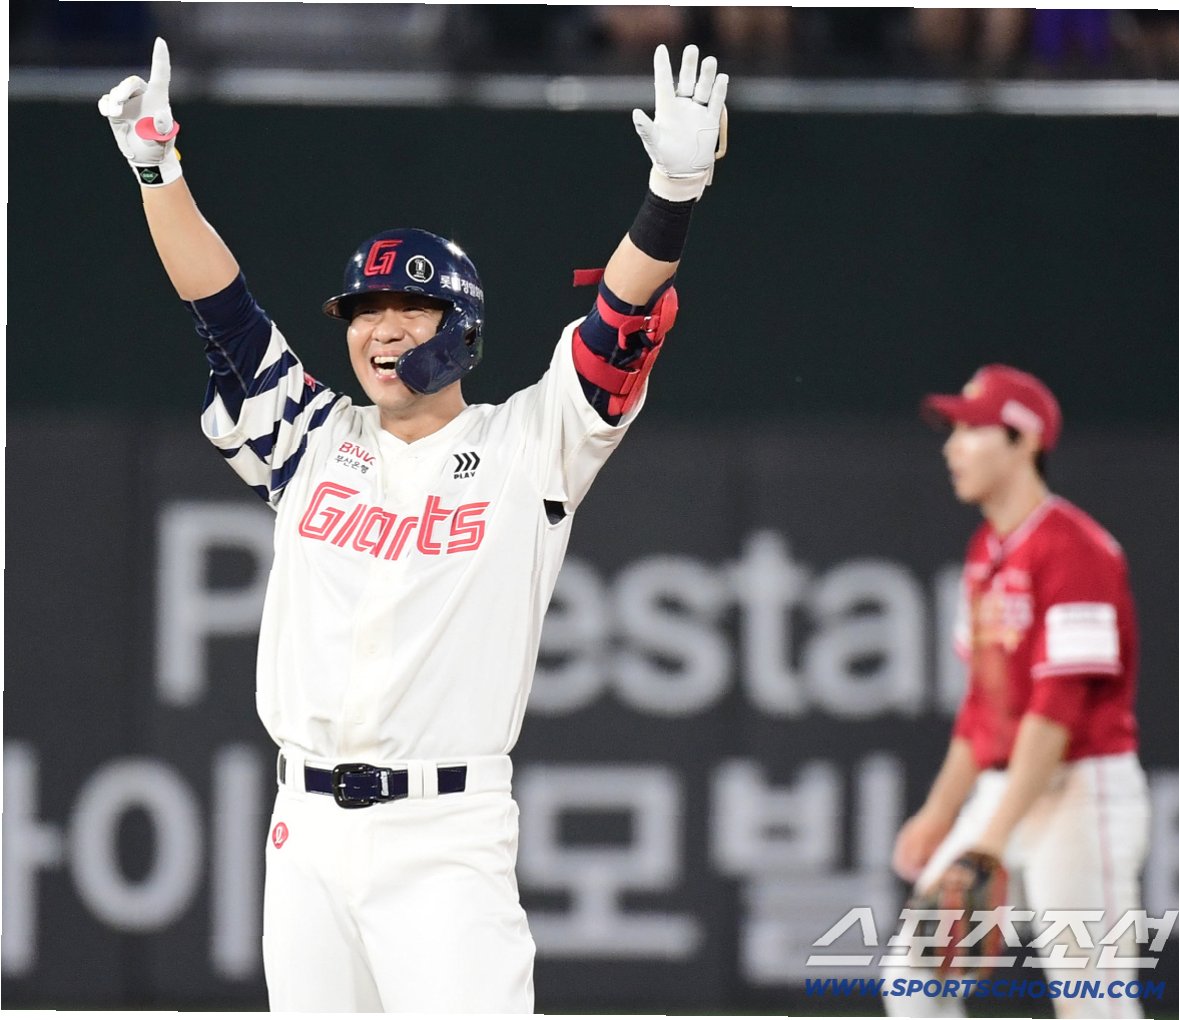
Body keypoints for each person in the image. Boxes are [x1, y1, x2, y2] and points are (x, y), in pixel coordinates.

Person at [98, 37, 727, 1013]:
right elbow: (221, 308)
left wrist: (672, 194)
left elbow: (617, 316)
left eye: (411, 308)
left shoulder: (530, 443)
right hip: (305, 833)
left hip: (443, 835)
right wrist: (158, 170)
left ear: (462, 329)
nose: (382, 328)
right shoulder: (312, 436)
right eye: (364, 310)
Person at [884, 365, 1150, 1018]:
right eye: (953, 432)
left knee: (1093, 1003)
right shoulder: (986, 551)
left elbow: (1056, 711)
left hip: (1080, 792)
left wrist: (989, 840)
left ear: (1024, 441)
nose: (952, 448)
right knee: (914, 977)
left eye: (972, 430)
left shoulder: (1076, 549)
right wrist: (941, 813)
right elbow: (984, 707)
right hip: (1006, 787)